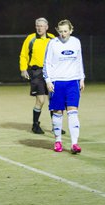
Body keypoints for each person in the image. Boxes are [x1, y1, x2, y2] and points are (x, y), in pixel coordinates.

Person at [43, 19, 85, 154]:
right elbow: (47, 63)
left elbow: (79, 61)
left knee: (73, 112)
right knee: (58, 112)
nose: (63, 34)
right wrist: (48, 81)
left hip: (73, 82)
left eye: (65, 31)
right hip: (57, 82)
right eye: (60, 31)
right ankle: (58, 141)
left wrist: (81, 78)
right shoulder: (53, 43)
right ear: (57, 31)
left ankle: (74, 144)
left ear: (71, 30)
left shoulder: (76, 42)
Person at [20, 18, 57, 134]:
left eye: (42, 26)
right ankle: (35, 125)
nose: (39, 28)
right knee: (41, 100)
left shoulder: (53, 39)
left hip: (51, 72)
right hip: (37, 72)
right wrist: (23, 69)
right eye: (37, 26)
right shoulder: (30, 39)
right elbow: (23, 55)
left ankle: (56, 126)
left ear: (47, 27)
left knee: (53, 99)